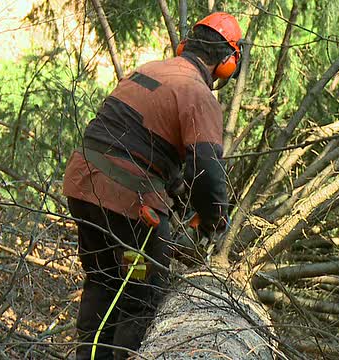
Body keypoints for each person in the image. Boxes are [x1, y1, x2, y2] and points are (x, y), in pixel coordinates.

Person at [62, 12, 242, 359]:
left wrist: (174, 186)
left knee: (103, 278)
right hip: (129, 209)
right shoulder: (198, 93)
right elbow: (207, 168)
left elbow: (137, 137)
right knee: (141, 292)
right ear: (227, 61)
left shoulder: (149, 70)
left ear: (186, 44)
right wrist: (214, 217)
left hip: (84, 189)